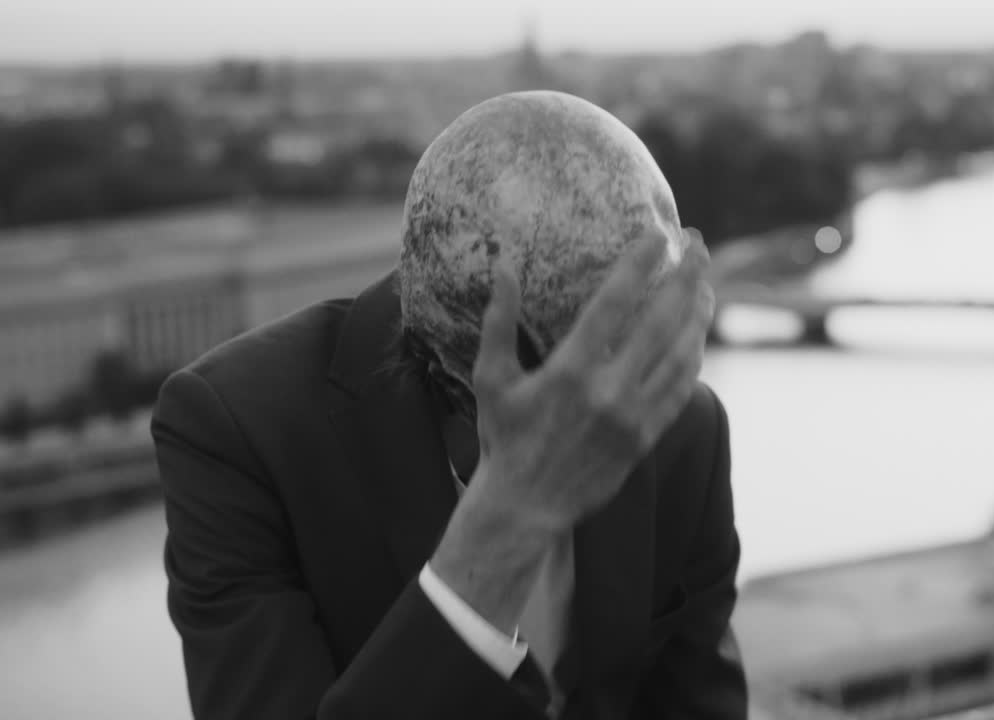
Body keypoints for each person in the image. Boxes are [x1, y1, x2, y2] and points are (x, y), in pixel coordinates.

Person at [153, 90, 746, 719]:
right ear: (498, 357)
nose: (626, 388)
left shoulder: (681, 426)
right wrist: (509, 523)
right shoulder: (239, 428)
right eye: (608, 341)